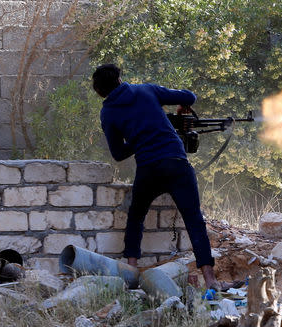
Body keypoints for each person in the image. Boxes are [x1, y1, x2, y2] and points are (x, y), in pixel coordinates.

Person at [92, 64, 235, 290]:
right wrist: (167, 119)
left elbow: (118, 153)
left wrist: (139, 139)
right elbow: (190, 96)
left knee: (136, 218)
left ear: (100, 90)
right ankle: (210, 280)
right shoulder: (146, 90)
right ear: (120, 79)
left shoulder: (107, 112)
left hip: (148, 169)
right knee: (194, 221)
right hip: (177, 164)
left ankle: (131, 272)